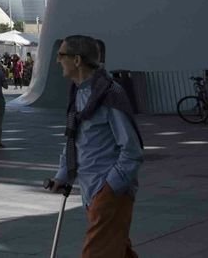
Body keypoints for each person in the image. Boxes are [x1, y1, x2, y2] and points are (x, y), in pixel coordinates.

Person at [44, 34, 144, 258]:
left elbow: (132, 150)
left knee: (97, 253)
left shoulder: (110, 94)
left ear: (77, 60)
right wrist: (63, 174)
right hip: (91, 188)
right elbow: (74, 138)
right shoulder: (78, 92)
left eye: (61, 55)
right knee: (118, 250)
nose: (57, 60)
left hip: (108, 190)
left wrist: (109, 189)